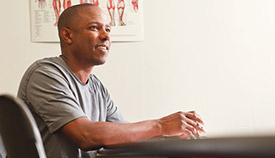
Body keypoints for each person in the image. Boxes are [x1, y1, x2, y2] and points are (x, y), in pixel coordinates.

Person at [17, 4, 205, 158]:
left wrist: (172, 136)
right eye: (94, 27)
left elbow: (125, 134)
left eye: (107, 29)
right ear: (67, 35)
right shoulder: (45, 74)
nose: (106, 36)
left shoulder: (97, 88)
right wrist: (161, 125)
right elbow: (85, 135)